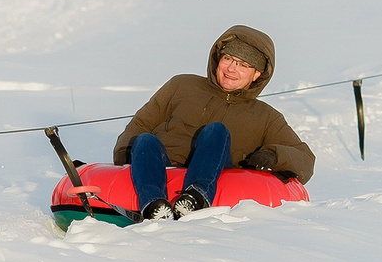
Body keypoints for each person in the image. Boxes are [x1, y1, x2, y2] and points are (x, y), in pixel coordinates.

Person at [113, 26, 317, 221]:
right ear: (218, 59)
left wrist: (273, 154)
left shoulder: (266, 117)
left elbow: (306, 160)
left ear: (257, 75)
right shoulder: (181, 86)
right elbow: (140, 123)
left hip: (215, 176)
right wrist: (124, 159)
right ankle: (153, 206)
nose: (231, 69)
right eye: (228, 58)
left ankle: (196, 197)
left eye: (244, 65)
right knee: (145, 140)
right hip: (163, 166)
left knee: (216, 131)